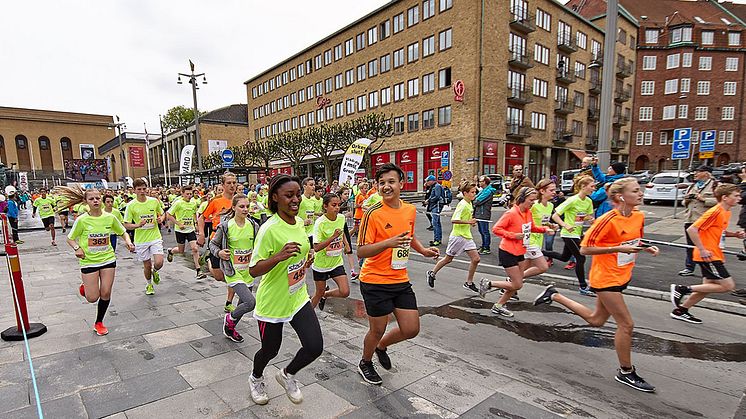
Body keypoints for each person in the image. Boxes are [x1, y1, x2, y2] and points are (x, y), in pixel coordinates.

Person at [533, 177, 659, 393]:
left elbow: (634, 241)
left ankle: (554, 295)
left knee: (596, 320)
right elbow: (585, 250)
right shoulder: (607, 220)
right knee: (626, 325)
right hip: (605, 278)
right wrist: (617, 249)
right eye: (636, 190)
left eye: (640, 190)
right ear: (621, 197)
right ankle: (626, 372)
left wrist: (645, 247)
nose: (641, 194)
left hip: (622, 275)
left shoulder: (638, 217)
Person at [356, 163, 440, 385]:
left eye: (391, 182)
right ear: (376, 186)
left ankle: (382, 346)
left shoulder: (409, 210)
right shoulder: (372, 213)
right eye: (381, 183)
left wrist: (423, 250)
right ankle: (365, 361)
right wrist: (388, 243)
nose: (386, 187)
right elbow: (361, 251)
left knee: (411, 329)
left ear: (401, 184)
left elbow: (408, 235)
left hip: (399, 278)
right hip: (374, 280)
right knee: (377, 329)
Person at [248, 175, 323, 405]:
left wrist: (307, 257)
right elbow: (253, 270)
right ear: (274, 197)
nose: (296, 199)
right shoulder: (268, 229)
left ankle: (287, 374)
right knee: (270, 350)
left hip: (298, 295)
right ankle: (256, 377)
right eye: (289, 195)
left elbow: (301, 251)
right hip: (274, 300)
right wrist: (279, 256)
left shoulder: (299, 222)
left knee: (314, 346)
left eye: (298, 194)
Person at [60, 186, 135, 336]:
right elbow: (70, 239)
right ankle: (85, 289)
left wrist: (128, 242)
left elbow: (122, 231)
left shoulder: (110, 217)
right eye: (91, 199)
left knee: (106, 292)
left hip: (108, 259)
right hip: (89, 261)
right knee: (92, 298)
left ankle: (99, 322)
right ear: (86, 201)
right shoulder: (82, 220)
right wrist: (77, 248)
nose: (95, 201)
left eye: (97, 198)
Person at [670, 183, 746, 324]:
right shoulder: (715, 211)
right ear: (724, 197)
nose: (739, 198)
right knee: (727, 286)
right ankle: (682, 289)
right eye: (735, 195)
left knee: (706, 287)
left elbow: (717, 232)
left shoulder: (726, 212)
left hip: (713, 253)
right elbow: (692, 229)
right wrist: (702, 249)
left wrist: (734, 235)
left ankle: (681, 311)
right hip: (708, 254)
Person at [478, 187, 552, 317]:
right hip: (508, 251)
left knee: (516, 283)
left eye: (534, 200)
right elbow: (496, 229)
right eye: (531, 200)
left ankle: (499, 306)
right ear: (522, 199)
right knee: (517, 284)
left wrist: (545, 229)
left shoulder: (527, 213)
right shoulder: (511, 213)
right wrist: (513, 235)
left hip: (521, 251)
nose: (533, 203)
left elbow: (532, 228)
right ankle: (489, 283)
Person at [209, 193, 258, 343]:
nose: (245, 209)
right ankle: (229, 319)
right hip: (233, 271)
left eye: (247, 206)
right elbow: (212, 244)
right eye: (241, 206)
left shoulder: (253, 225)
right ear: (234, 207)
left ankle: (230, 328)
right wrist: (219, 252)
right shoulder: (226, 226)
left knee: (242, 304)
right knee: (250, 303)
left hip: (248, 272)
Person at [544, 175, 596, 296]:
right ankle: (583, 287)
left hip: (578, 233)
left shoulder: (588, 201)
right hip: (568, 234)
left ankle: (539, 252)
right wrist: (565, 225)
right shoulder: (572, 200)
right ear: (583, 187)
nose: (594, 189)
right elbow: (555, 216)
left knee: (564, 257)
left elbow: (586, 216)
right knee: (581, 257)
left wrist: (591, 219)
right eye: (592, 186)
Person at [427, 180, 481, 293]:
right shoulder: (462, 205)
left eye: (475, 192)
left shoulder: (469, 203)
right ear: (465, 193)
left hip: (466, 236)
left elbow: (467, 219)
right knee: (448, 259)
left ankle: (469, 283)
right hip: (458, 237)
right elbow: (454, 220)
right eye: (472, 192)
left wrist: (471, 222)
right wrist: (468, 222)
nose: (474, 194)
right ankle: (432, 273)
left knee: (476, 259)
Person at [198, 173, 239, 312]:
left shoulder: (239, 200)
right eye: (229, 183)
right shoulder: (216, 201)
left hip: (233, 242)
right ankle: (208, 259)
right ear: (223, 185)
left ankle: (228, 302)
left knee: (232, 274)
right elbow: (202, 218)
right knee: (219, 276)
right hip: (217, 240)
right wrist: (202, 234)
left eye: (234, 182)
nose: (232, 185)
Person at [123, 179, 165, 295]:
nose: (142, 191)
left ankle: (155, 271)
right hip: (141, 240)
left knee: (159, 262)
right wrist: (138, 225)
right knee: (147, 265)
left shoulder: (154, 201)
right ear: (134, 190)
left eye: (144, 189)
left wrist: (161, 218)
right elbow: (126, 225)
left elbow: (162, 213)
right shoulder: (131, 205)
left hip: (155, 236)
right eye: (139, 189)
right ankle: (149, 284)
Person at [311, 193, 350, 310]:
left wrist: (347, 245)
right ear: (325, 206)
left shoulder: (341, 218)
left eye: (338, 205)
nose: (337, 208)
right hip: (321, 264)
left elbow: (341, 232)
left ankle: (326, 295)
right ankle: (308, 314)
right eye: (333, 205)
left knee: (345, 291)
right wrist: (333, 237)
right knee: (318, 293)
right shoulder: (320, 223)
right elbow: (316, 247)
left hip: (336, 262)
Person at [678, 165, 717, 277]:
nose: (695, 174)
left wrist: (703, 199)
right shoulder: (693, 186)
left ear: (706, 173)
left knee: (705, 246)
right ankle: (689, 267)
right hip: (690, 219)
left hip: (705, 221)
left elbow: (720, 202)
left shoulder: (715, 185)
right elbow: (683, 202)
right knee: (690, 246)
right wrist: (687, 199)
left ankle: (708, 269)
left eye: (698, 172)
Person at [166, 185, 205, 279]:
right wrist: (178, 223)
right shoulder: (178, 203)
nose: (189, 195)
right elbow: (168, 215)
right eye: (187, 194)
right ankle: (171, 251)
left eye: (190, 194)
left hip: (190, 229)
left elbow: (193, 214)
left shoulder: (193, 203)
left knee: (195, 249)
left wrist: (195, 224)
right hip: (180, 230)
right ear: (182, 194)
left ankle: (198, 270)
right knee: (181, 251)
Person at [338, 187, 359, 280]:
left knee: (349, 248)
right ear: (340, 195)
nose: (347, 196)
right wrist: (345, 215)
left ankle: (352, 272)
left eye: (348, 194)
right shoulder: (335, 202)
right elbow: (333, 216)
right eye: (345, 194)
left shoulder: (347, 203)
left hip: (344, 226)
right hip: (336, 227)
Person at [473, 176, 496, 254]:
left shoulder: (488, 191)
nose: (479, 182)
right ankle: (483, 245)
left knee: (485, 231)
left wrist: (474, 200)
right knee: (481, 230)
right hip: (479, 213)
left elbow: (477, 201)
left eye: (481, 181)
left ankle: (486, 247)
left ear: (485, 182)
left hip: (483, 213)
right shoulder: (483, 190)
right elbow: (475, 198)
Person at [299, 177, 322, 245]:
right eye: (311, 185)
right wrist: (302, 222)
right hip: (302, 232)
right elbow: (293, 216)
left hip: (312, 231)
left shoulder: (313, 200)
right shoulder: (300, 199)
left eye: (314, 185)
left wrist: (318, 216)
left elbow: (312, 213)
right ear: (304, 186)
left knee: (313, 253)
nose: (313, 187)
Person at [424, 175, 444, 246]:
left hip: (437, 206)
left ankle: (437, 240)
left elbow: (437, 196)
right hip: (435, 205)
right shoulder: (434, 186)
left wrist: (429, 201)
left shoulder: (437, 186)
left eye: (428, 181)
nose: (427, 182)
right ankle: (438, 239)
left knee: (435, 223)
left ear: (432, 181)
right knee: (437, 223)